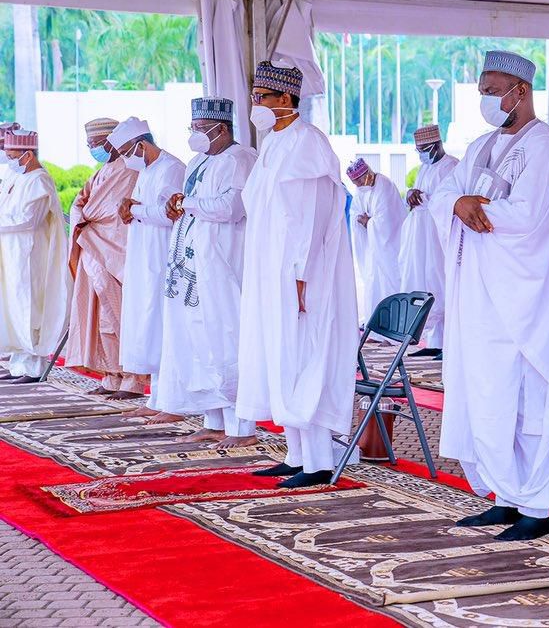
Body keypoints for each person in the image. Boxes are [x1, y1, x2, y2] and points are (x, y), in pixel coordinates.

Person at [430, 50, 549, 541]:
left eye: (491, 90)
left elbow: (530, 215)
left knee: (529, 397)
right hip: (479, 295)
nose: (484, 100)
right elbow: (444, 195)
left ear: (519, 91)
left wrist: (478, 209)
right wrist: (458, 202)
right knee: (487, 391)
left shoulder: (545, 146)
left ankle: (537, 507)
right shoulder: (479, 146)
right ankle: (504, 497)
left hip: (525, 298)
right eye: (481, 91)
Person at [236, 61, 359, 488]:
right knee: (279, 355)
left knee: (305, 358)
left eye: (261, 98)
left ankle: (319, 461)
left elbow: (310, 217)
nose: (255, 106)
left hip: (301, 274)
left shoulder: (308, 143)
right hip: (271, 271)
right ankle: (296, 453)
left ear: (286, 100)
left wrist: (301, 274)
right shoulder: (274, 142)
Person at [156, 98, 258, 448]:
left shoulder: (241, 158)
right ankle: (213, 418)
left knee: (225, 338)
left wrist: (189, 204)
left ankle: (241, 428)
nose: (195, 135)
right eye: (193, 128)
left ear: (221, 129)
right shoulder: (198, 160)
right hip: (193, 264)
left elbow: (233, 207)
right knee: (198, 339)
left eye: (201, 129)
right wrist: (176, 202)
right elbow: (188, 199)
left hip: (223, 264)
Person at [109, 118, 186, 421]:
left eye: (127, 151)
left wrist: (135, 209)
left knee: (165, 327)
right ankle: (156, 397)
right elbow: (142, 208)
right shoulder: (146, 170)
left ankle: (173, 404)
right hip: (144, 256)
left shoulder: (171, 168)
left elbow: (171, 214)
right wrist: (132, 208)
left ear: (141, 145)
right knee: (148, 326)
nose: (126, 159)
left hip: (164, 256)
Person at [65, 118, 147, 399]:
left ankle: (133, 380)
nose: (92, 149)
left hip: (115, 252)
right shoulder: (101, 171)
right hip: (94, 250)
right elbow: (79, 203)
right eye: (89, 145)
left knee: (120, 316)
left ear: (109, 141)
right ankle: (112, 375)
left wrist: (85, 216)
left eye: (95, 144)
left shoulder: (128, 169)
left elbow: (111, 210)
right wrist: (83, 216)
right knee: (101, 320)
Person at [0, 130, 69, 384]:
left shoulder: (40, 180)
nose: (8, 160)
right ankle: (18, 365)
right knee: (11, 307)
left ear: (28, 155)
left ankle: (34, 367)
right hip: (10, 253)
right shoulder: (15, 176)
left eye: (12, 156)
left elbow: (29, 220)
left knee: (30, 307)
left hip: (30, 253)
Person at [399, 124, 458, 358]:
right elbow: (418, 194)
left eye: (424, 149)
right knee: (424, 282)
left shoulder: (452, 166)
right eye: (418, 150)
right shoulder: (425, 168)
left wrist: (422, 197)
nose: (422, 154)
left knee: (441, 281)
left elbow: (451, 199)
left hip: (438, 234)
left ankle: (449, 343)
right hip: (421, 234)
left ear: (437, 145)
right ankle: (434, 341)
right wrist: (412, 194)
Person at [348, 157, 405, 324]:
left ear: (365, 175)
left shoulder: (384, 186)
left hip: (389, 248)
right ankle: (376, 327)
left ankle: (392, 328)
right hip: (372, 248)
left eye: (358, 182)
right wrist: (361, 220)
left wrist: (368, 222)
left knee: (387, 285)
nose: (357, 187)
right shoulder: (362, 190)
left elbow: (387, 221)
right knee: (373, 286)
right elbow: (355, 211)